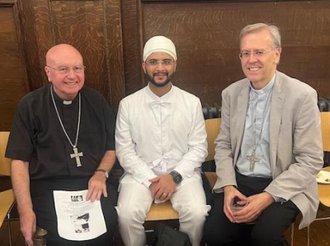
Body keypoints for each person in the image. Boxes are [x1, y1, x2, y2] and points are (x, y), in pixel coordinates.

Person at [203, 23, 323, 246]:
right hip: (239, 180)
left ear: (277, 54)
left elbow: (310, 160)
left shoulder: (302, 96)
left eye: (259, 52)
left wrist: (267, 197)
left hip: (284, 181)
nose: (251, 59)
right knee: (213, 235)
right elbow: (224, 145)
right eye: (245, 53)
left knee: (264, 237)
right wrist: (228, 186)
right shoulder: (231, 94)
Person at [5, 44, 118, 246]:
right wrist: (25, 211)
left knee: (106, 223)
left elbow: (112, 147)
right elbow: (19, 161)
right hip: (49, 188)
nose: (72, 76)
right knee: (64, 237)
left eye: (77, 68)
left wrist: (101, 173)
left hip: (92, 182)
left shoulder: (96, 101)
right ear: (49, 73)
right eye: (63, 69)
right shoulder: (30, 105)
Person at [115, 35, 210, 246]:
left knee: (196, 213)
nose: (160, 68)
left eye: (166, 61)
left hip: (182, 174)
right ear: (144, 66)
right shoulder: (128, 105)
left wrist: (173, 177)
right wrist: (151, 179)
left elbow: (198, 148)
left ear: (174, 65)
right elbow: (125, 151)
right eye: (153, 62)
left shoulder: (191, 102)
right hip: (140, 175)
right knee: (127, 215)